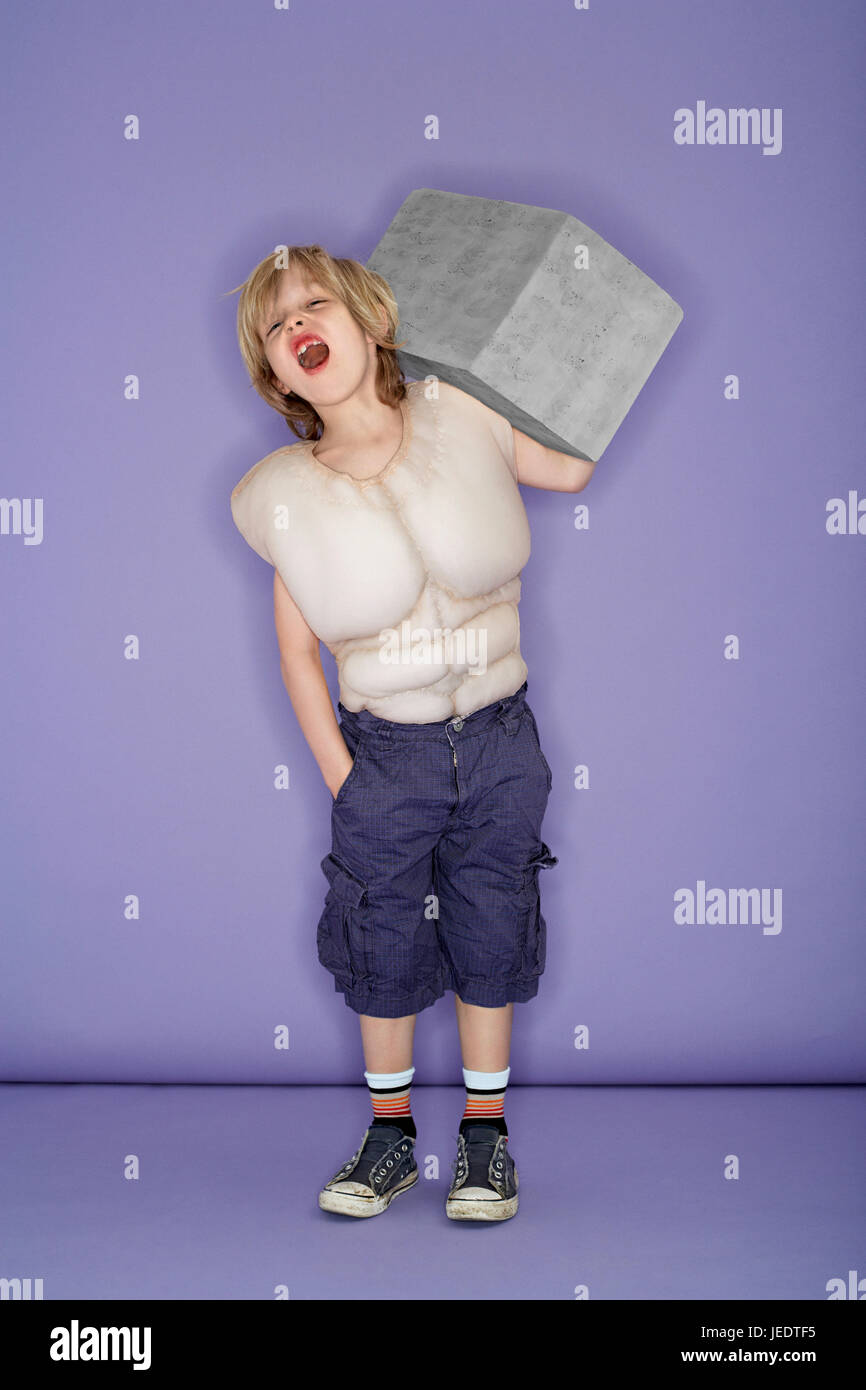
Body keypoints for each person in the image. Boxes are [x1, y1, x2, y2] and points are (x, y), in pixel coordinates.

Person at [227, 244, 594, 1221]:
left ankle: (485, 1142)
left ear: (370, 320)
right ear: (273, 366)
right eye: (275, 322)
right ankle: (388, 1138)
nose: (295, 324)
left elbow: (571, 462)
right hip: (385, 755)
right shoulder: (284, 494)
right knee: (381, 932)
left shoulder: (461, 415)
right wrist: (343, 774)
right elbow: (297, 653)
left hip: (502, 737)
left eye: (313, 303)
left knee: (492, 916)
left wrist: (579, 335)